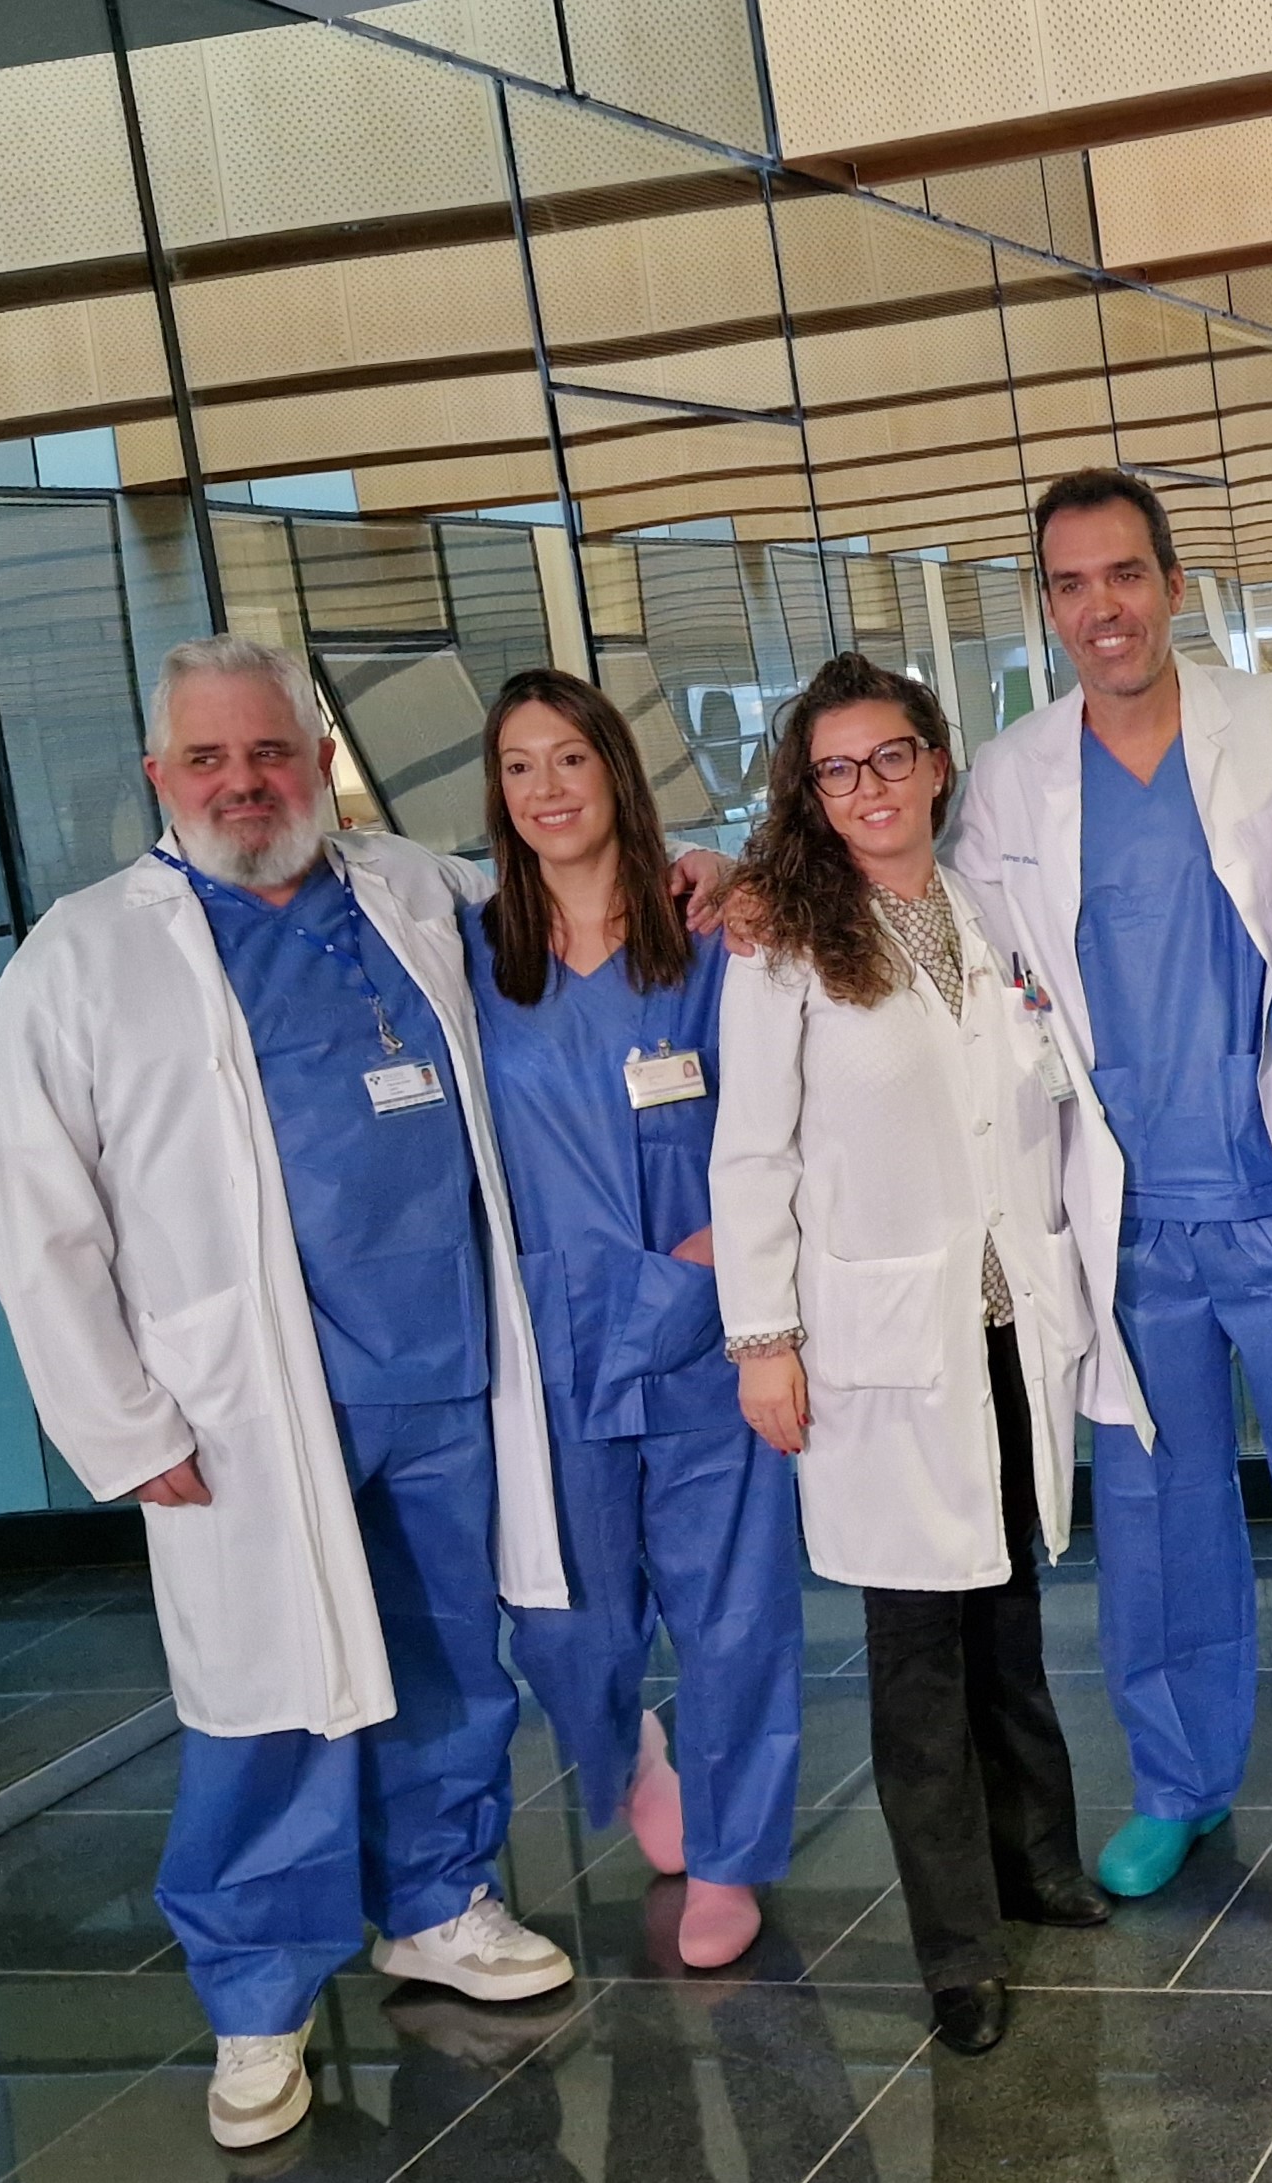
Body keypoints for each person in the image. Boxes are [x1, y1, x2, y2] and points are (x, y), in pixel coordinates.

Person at [0, 637, 578, 2151]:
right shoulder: (83, 957)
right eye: (210, 758)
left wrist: (710, 876)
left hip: (442, 1360)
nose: (245, 782)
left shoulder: (408, 888)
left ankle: (436, 1897)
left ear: (318, 759)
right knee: (268, 1698)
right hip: (238, 1402)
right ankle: (257, 1991)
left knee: (449, 1653)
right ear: (159, 775)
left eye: (272, 751)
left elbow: (577, 885)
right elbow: (31, 1218)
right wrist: (121, 1423)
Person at [951, 472, 1272, 1904]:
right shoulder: (1012, 774)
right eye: (1069, 584)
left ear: (1175, 586)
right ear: (1046, 606)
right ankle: (1177, 1778)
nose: (1101, 607)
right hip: (1126, 1218)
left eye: (1125, 574)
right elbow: (944, 931)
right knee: (1155, 1515)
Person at [713, 654, 1108, 2056]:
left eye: (890, 756)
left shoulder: (986, 907)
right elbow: (750, 1154)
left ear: (938, 763)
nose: (869, 787)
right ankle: (957, 1947)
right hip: (879, 1342)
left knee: (1009, 1612)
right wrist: (763, 1338)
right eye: (837, 769)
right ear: (809, 794)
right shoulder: (780, 944)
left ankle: (1037, 1860)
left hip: (1002, 1322)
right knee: (916, 1653)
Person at [461, 669, 803, 1975]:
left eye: (569, 757)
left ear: (615, 768)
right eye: (518, 765)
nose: (547, 787)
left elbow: (783, 1099)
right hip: (554, 1342)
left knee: (733, 1616)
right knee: (568, 1627)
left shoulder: (708, 932)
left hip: (704, 1327)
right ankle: (632, 1756)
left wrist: (728, 1255)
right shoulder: (472, 951)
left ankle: (727, 1856)